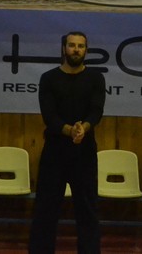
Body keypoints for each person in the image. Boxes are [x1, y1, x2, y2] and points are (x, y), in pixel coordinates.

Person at [28, 31, 106, 254]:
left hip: (84, 152)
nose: (76, 50)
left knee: (88, 211)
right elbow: (49, 116)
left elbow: (96, 111)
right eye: (72, 45)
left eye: (81, 46)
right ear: (64, 48)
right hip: (55, 152)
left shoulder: (96, 79)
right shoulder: (49, 79)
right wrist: (69, 130)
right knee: (45, 210)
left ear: (86, 50)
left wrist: (83, 129)